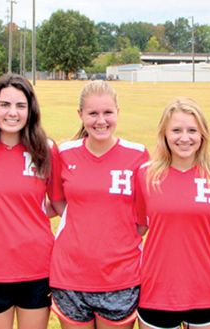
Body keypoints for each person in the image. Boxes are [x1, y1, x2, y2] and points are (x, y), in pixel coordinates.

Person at [49, 80, 149, 329]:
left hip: (120, 277)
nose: (101, 120)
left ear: (118, 112)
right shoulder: (64, 153)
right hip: (70, 276)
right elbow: (60, 202)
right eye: (93, 113)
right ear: (80, 114)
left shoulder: (138, 155)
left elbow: (142, 220)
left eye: (108, 112)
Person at [0, 73, 59, 329]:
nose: (12, 113)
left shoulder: (46, 150)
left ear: (31, 110)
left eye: (20, 105)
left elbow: (58, 202)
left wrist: (28, 211)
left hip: (37, 266)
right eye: (5, 104)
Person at [135, 98, 210, 329]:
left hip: (207, 289)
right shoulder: (145, 175)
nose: (184, 138)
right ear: (164, 134)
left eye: (192, 130)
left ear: (202, 135)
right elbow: (138, 227)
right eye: (176, 130)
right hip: (157, 290)